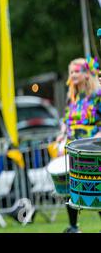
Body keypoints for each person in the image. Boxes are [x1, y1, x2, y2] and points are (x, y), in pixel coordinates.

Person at [55, 56, 101, 233]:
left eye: (77, 71)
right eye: (71, 72)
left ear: (87, 73)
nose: (73, 75)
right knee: (70, 187)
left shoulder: (97, 96)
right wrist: (61, 136)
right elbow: (66, 121)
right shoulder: (72, 97)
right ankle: (74, 227)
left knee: (94, 189)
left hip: (92, 148)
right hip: (73, 148)